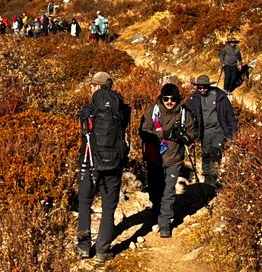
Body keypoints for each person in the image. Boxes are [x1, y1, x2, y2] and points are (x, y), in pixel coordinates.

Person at [75, 71, 130, 260]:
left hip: (89, 163)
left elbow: (84, 134)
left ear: (96, 87)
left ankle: (83, 247)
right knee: (108, 206)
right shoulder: (121, 108)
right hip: (114, 164)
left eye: (92, 85)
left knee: (84, 202)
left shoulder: (87, 111)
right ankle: (103, 250)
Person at [138, 82, 193, 238]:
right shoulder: (152, 112)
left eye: (173, 99)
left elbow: (192, 132)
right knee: (155, 189)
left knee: (169, 191)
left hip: (174, 158)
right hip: (154, 157)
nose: (169, 102)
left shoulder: (184, 114)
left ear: (178, 99)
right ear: (161, 98)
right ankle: (157, 209)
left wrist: (185, 138)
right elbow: (142, 131)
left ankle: (165, 223)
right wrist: (164, 134)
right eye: (166, 98)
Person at [183, 75, 237, 186]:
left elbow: (230, 115)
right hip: (204, 131)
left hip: (219, 129)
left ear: (209, 86)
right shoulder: (194, 99)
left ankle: (213, 177)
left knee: (215, 150)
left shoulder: (220, 96)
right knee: (206, 153)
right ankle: (207, 176)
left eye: (204, 87)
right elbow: (187, 115)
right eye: (200, 88)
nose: (202, 90)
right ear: (197, 87)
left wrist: (233, 132)